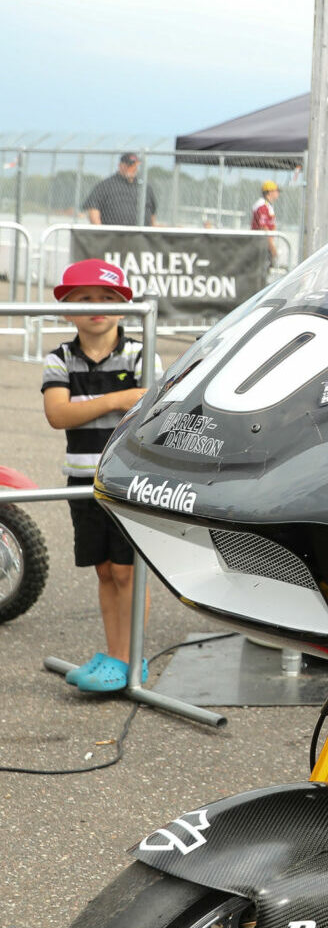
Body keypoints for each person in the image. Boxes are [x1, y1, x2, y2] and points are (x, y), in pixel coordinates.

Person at [41, 260, 148, 693]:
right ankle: (114, 656)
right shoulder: (59, 358)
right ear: (67, 309)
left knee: (128, 571)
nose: (96, 307)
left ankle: (130, 659)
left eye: (107, 298)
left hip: (125, 482)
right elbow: (58, 413)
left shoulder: (142, 353)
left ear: (123, 308)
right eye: (84, 299)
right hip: (82, 482)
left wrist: (117, 401)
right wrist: (117, 398)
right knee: (104, 570)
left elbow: (148, 411)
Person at [84, 153, 158, 227]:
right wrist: (100, 231)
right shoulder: (106, 185)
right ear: (120, 166)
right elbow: (93, 208)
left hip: (141, 235)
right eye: (129, 165)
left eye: (135, 165)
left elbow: (152, 212)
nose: (132, 168)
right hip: (114, 235)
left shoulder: (144, 187)